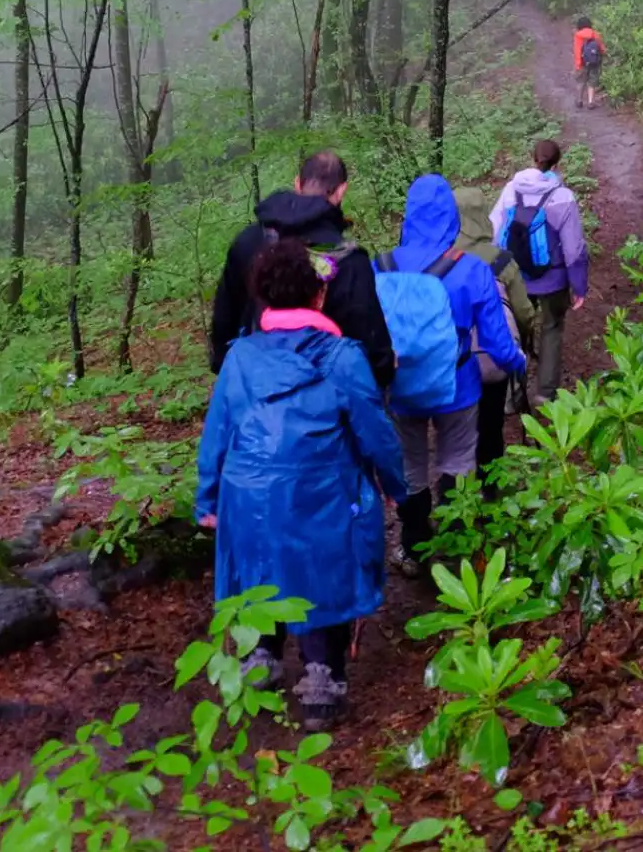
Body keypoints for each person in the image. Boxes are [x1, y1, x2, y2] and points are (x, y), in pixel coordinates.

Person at [196, 239, 407, 728]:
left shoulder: (240, 357)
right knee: (323, 569)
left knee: (260, 559)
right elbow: (374, 429)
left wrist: (209, 498)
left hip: (246, 491)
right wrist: (395, 483)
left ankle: (260, 656)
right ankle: (320, 679)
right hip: (321, 489)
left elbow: (218, 431)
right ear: (318, 297)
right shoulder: (343, 357)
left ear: (264, 300)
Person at [379, 175, 527, 575]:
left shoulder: (381, 266)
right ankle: (455, 547)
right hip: (458, 385)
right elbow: (497, 344)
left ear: (408, 217)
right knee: (458, 461)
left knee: (411, 465)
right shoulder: (472, 271)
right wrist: (518, 365)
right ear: (450, 217)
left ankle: (412, 549)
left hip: (402, 386)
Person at [210, 151, 395, 389]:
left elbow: (226, 316)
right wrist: (383, 374)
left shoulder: (248, 242)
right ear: (341, 191)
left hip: (258, 389)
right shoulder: (349, 260)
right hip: (327, 399)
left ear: (298, 183)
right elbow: (370, 340)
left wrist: (226, 369)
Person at [489, 140, 588, 405]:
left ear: (532, 159)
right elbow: (574, 248)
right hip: (553, 279)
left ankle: (512, 395)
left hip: (515, 275)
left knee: (516, 330)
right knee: (552, 328)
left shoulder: (511, 190)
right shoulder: (562, 197)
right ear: (558, 164)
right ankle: (544, 394)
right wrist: (578, 286)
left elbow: (495, 231)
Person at [454, 185, 536, 474]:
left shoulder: (441, 260)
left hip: (454, 359)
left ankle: (458, 496)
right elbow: (524, 312)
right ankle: (491, 494)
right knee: (491, 424)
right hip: (494, 355)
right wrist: (525, 343)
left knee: (456, 431)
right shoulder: (501, 259)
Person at [572, 17, 606, 110]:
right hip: (594, 62)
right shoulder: (595, 34)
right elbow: (602, 48)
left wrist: (578, 64)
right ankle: (591, 102)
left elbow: (577, 50)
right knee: (592, 82)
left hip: (582, 63)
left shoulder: (578, 35)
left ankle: (579, 100)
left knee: (581, 81)